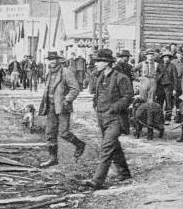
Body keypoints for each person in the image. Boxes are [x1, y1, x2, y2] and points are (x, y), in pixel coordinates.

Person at [83, 49, 133, 189]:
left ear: (107, 63)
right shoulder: (100, 77)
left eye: (99, 61)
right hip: (102, 118)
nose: (96, 64)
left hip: (115, 118)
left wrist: (114, 108)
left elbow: (128, 97)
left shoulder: (120, 77)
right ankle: (124, 173)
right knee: (113, 146)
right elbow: (95, 93)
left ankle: (97, 180)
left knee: (106, 147)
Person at [38, 51, 86, 168]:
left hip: (62, 107)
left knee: (63, 133)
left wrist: (67, 100)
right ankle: (53, 159)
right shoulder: (49, 73)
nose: (52, 61)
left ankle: (80, 144)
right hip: (50, 106)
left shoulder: (66, 72)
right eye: (50, 59)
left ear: (59, 60)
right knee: (50, 133)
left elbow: (75, 89)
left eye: (54, 59)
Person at [156, 52, 177, 122]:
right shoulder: (159, 66)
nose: (166, 59)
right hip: (160, 86)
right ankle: (159, 118)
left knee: (169, 102)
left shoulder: (172, 66)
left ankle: (167, 119)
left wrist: (174, 89)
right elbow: (156, 77)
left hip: (169, 86)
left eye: (168, 57)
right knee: (159, 102)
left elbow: (175, 78)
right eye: (165, 57)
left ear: (170, 59)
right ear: (162, 58)